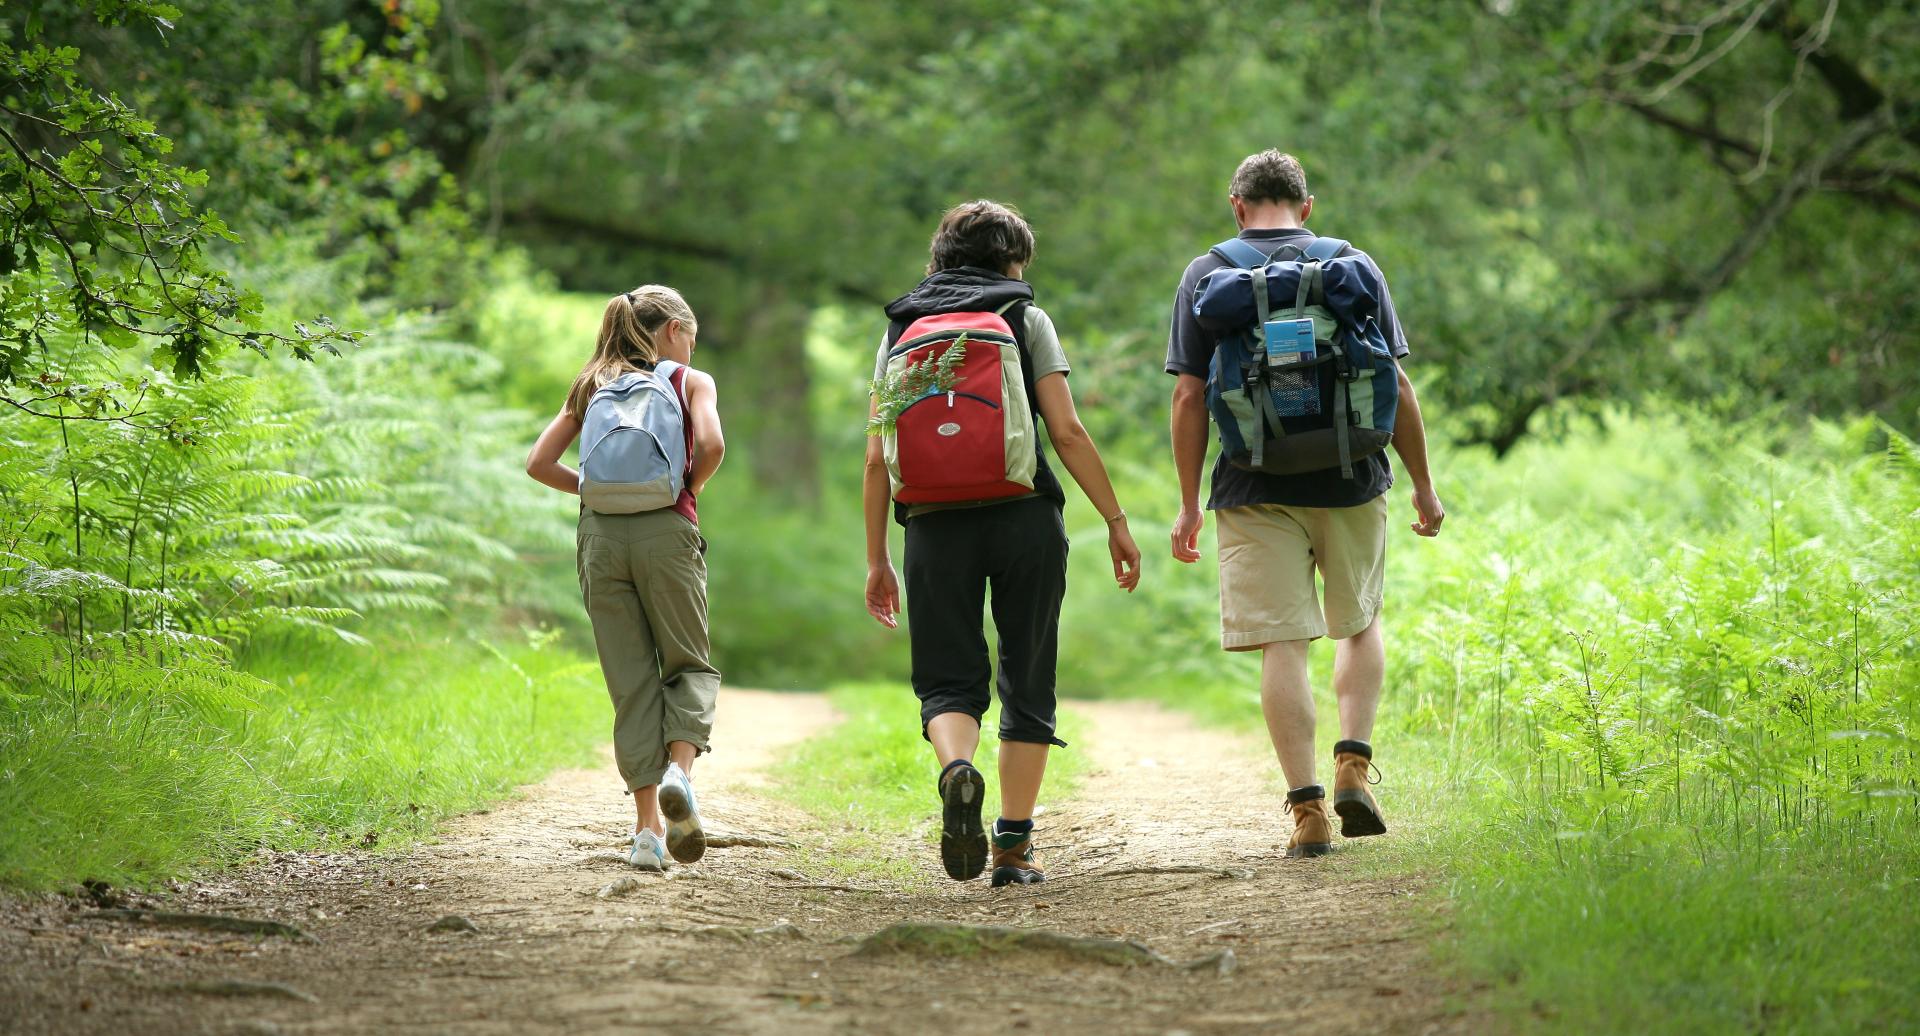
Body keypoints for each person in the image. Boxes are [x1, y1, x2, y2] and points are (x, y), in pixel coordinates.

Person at [1165, 150, 1444, 858]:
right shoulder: (1352, 265)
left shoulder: (1208, 274)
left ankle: (1309, 812)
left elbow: (1190, 395)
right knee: (1358, 622)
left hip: (1253, 485)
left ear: (1236, 204)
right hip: (1352, 476)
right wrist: (1422, 484)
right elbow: (1397, 385)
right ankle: (1354, 763)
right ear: (1306, 206)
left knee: (1283, 644)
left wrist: (1189, 502)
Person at [863, 200, 1142, 887]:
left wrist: (877, 558)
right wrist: (1114, 519)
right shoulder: (1025, 319)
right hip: (1024, 517)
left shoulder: (903, 326)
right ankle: (1012, 848)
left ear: (941, 255)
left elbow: (876, 456)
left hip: (931, 524)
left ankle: (958, 769)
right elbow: (1068, 431)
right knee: (1028, 672)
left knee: (947, 678)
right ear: (1013, 261)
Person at [525, 285, 725, 871]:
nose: (691, 347)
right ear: (671, 332)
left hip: (601, 540)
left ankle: (645, 834)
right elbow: (711, 443)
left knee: (630, 683)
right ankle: (680, 777)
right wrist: (687, 490)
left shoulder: (591, 384)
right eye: (690, 336)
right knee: (688, 664)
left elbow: (538, 463)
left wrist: (591, 490)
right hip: (667, 532)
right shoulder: (689, 381)